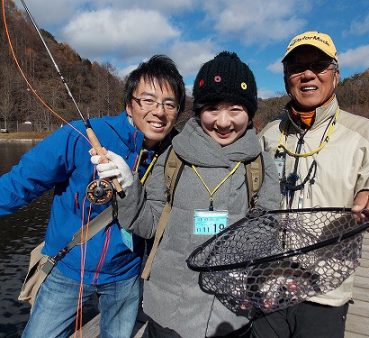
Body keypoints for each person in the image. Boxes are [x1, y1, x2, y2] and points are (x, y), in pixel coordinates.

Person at [253, 31, 369, 337]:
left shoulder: (366, 136)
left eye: (319, 65)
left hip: (325, 293)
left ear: (335, 76)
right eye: (296, 67)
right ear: (286, 79)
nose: (307, 73)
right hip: (269, 284)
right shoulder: (268, 135)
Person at [96, 51, 280, 337]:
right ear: (198, 110)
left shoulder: (262, 164)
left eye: (235, 110)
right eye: (213, 109)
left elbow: (269, 229)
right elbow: (147, 225)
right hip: (169, 311)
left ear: (250, 112)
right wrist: (128, 187)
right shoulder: (173, 157)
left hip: (232, 313)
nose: (223, 121)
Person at [0, 55, 185, 338]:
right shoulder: (81, 135)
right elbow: (21, 182)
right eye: (147, 100)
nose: (158, 112)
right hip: (66, 268)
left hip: (125, 275)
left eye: (169, 104)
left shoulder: (174, 156)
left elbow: (158, 220)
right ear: (129, 104)